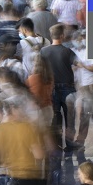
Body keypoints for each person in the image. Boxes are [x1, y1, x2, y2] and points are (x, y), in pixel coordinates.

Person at [40, 23, 79, 151]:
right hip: (68, 87)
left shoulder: (43, 51)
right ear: (62, 36)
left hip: (51, 88)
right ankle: (69, 143)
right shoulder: (67, 51)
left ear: (51, 36)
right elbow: (78, 64)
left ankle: (56, 144)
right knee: (70, 117)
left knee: (55, 117)